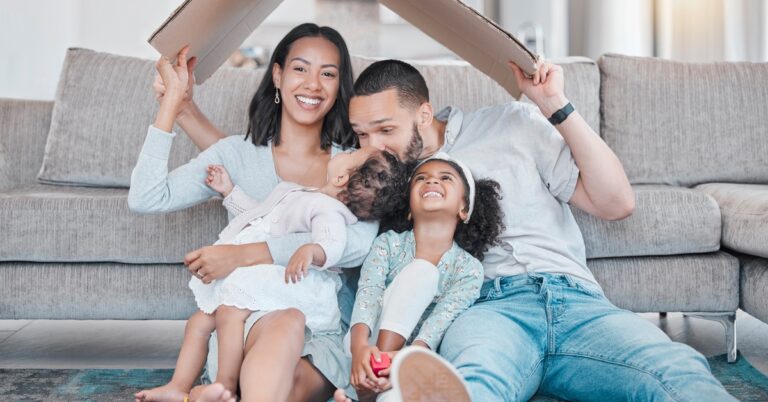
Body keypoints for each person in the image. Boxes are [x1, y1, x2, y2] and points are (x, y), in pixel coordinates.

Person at [333, 59, 737, 401]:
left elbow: (617, 203)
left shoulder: (511, 124)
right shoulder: (386, 184)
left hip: (576, 302)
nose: (373, 146)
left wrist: (555, 105)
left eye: (386, 130)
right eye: (363, 134)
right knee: (472, 385)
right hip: (485, 309)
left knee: (676, 367)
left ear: (423, 113)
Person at [129, 23, 380, 402]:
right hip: (243, 325)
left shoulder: (352, 163)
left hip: (321, 330)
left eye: (328, 74)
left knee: (289, 368)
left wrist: (242, 255)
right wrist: (170, 107)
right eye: (300, 68)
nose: (313, 84)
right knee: (281, 328)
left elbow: (358, 245)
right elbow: (147, 197)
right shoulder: (237, 154)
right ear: (277, 75)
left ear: (339, 86)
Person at [136, 145, 406, 402]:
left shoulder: (328, 210)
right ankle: (179, 387)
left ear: (340, 177)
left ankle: (224, 383)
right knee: (199, 321)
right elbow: (261, 218)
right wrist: (229, 193)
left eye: (352, 152)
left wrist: (314, 250)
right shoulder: (309, 196)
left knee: (229, 310)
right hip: (275, 282)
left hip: (291, 283)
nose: (346, 150)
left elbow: (333, 242)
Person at [345, 154, 504, 402]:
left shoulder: (469, 269)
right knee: (423, 272)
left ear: (464, 208)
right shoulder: (388, 243)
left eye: (445, 178)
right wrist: (359, 348)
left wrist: (408, 358)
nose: (431, 181)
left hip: (411, 362)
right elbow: (369, 293)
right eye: (421, 178)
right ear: (409, 209)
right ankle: (370, 379)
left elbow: (440, 322)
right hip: (364, 346)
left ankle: (373, 392)